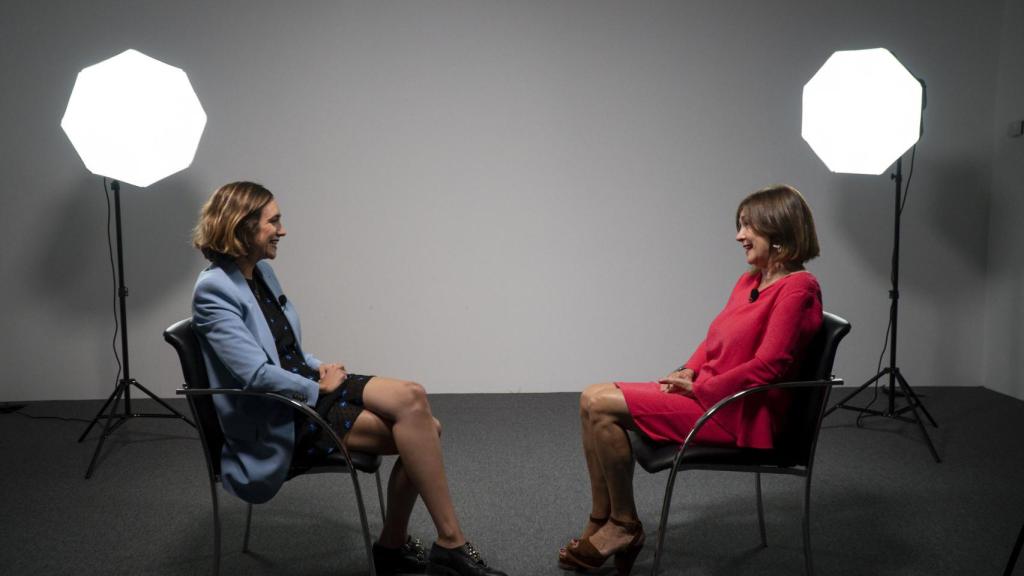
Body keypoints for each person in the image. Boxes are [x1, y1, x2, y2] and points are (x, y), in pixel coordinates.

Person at [191, 181, 506, 576]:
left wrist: (317, 365)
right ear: (243, 226)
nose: (283, 230)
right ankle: (442, 543)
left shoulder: (262, 273)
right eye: (274, 221)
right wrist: (315, 387)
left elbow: (282, 345)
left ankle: (418, 545)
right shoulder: (213, 291)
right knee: (428, 432)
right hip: (282, 414)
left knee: (413, 397)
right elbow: (254, 374)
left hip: (307, 384)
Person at [559, 184, 823, 575]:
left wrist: (700, 387)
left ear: (779, 231)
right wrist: (689, 368)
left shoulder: (798, 289)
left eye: (748, 226)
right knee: (590, 397)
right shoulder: (751, 281)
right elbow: (714, 338)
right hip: (709, 394)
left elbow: (770, 366)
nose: (739, 235)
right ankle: (604, 519)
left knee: (600, 405)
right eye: (740, 225)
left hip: (737, 413)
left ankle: (623, 526)